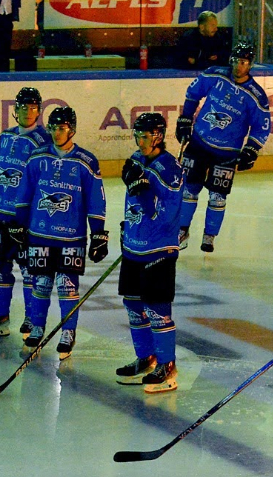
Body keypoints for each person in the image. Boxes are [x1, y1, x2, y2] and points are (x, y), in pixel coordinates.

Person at [11, 106, 107, 359]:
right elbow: (25, 192)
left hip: (71, 237)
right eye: (52, 127)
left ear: (72, 129)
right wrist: (19, 222)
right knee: (40, 283)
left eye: (62, 128)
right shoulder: (37, 156)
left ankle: (68, 332)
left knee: (66, 285)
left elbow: (96, 200)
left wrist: (98, 233)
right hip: (40, 233)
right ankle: (37, 326)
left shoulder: (86, 162)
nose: (56, 132)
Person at [175, 40, 271, 253]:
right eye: (236, 60)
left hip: (227, 153)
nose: (239, 66)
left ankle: (210, 235)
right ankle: (182, 230)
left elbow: (261, 127)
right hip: (199, 142)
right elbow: (193, 93)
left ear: (251, 64)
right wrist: (185, 119)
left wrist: (251, 149)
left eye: (244, 62)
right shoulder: (214, 74)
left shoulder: (256, 95)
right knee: (189, 189)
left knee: (217, 195)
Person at [0, 87, 51, 338]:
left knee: (29, 268)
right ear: (15, 110)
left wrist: (29, 218)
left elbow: (43, 182)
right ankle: (0, 315)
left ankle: (31, 319)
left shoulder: (43, 141)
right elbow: (0, 170)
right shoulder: (6, 136)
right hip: (1, 213)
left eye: (32, 107)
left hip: (24, 218)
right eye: (22, 107)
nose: (27, 112)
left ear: (39, 111)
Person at [115, 113, 185, 393]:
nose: (141, 141)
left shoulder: (171, 168)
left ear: (158, 136)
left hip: (158, 248)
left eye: (146, 136)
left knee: (157, 310)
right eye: (138, 135)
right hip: (134, 246)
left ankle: (168, 367)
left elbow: (164, 214)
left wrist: (141, 191)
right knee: (133, 305)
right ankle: (146, 358)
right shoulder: (136, 158)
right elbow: (132, 201)